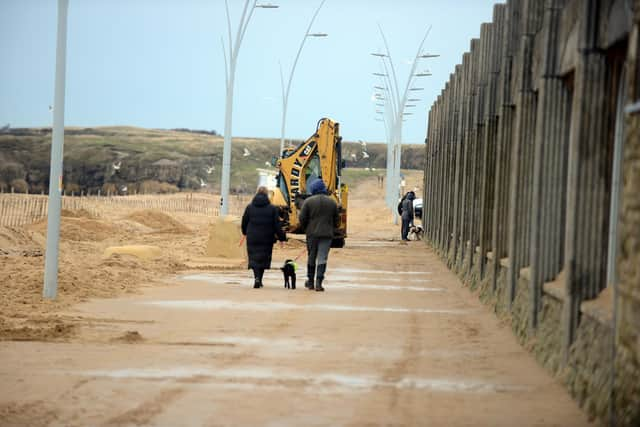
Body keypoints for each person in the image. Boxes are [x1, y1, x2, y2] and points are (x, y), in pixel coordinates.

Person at [298, 178, 339, 292]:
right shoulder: (332, 202)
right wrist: (332, 228)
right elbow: (337, 220)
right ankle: (319, 283)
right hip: (327, 234)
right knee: (322, 257)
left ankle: (310, 282)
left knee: (311, 257)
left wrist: (306, 228)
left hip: (312, 234)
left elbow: (302, 218)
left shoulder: (308, 202)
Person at [241, 186, 286, 288]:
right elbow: (277, 225)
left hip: (253, 236)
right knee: (263, 258)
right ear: (267, 195)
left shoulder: (249, 207)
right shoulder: (272, 208)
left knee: (254, 258)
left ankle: (256, 278)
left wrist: (244, 232)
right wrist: (282, 238)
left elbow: (244, 221)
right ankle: (259, 279)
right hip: (267, 237)